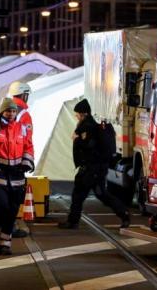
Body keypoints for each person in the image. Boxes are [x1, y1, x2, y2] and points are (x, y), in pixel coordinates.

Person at [58, 98, 130, 229]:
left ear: (83, 114)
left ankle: (73, 221)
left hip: (91, 168)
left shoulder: (88, 126)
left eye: (77, 114)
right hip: (97, 168)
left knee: (79, 194)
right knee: (100, 194)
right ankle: (123, 213)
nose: (76, 116)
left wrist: (77, 139)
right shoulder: (92, 124)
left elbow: (89, 145)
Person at [0, 98, 34, 255]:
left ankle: (5, 242)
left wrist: (26, 163)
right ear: (2, 111)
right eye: (8, 111)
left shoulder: (22, 129)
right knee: (0, 207)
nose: (11, 114)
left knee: (12, 210)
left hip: (16, 176)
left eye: (14, 111)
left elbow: (28, 147)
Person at [7, 81, 33, 239]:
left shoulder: (4, 110)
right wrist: (28, 160)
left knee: (4, 195)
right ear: (24, 95)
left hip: (3, 160)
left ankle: (4, 227)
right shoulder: (24, 114)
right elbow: (27, 140)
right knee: (15, 196)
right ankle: (10, 227)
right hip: (17, 161)